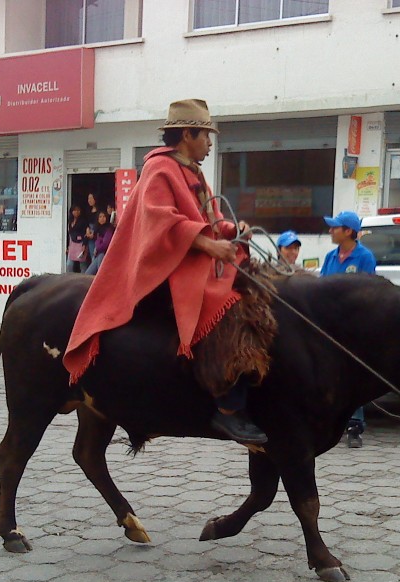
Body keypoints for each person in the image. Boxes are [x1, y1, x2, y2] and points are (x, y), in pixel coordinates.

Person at [63, 99, 274, 445]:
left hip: (189, 262)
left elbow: (209, 219)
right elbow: (161, 221)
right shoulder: (159, 170)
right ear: (187, 134)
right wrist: (208, 245)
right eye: (205, 136)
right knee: (228, 309)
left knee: (255, 290)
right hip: (159, 270)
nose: (209, 144)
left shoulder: (194, 171)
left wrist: (232, 231)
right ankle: (228, 410)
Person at [320, 211, 376, 447]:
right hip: (329, 326)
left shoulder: (364, 257)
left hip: (352, 326)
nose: (331, 231)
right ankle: (328, 422)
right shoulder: (330, 257)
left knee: (352, 375)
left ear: (349, 232)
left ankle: (354, 426)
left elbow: (368, 292)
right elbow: (320, 288)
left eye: (336, 228)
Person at [84, 210, 115, 276]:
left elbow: (104, 245)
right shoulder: (97, 229)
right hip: (98, 254)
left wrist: (98, 241)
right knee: (88, 274)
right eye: (100, 217)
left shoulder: (108, 229)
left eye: (104, 216)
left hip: (104, 255)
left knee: (100, 275)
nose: (102, 219)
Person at [65, 204, 88, 272]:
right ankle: (70, 278)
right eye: (74, 210)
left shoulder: (83, 221)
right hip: (72, 243)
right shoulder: (70, 221)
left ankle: (84, 279)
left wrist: (84, 244)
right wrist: (68, 246)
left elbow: (86, 234)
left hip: (81, 243)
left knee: (82, 263)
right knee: (69, 264)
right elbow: (69, 234)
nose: (76, 212)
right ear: (72, 211)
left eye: (78, 210)